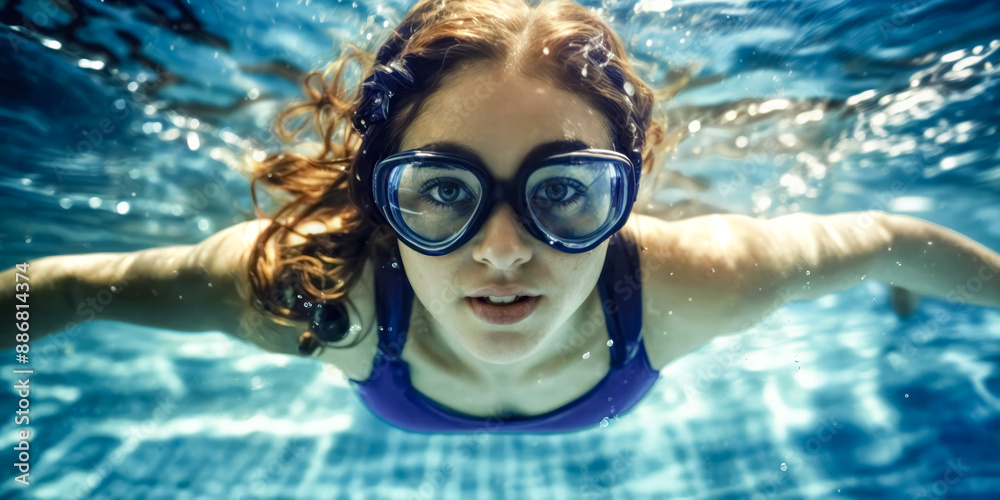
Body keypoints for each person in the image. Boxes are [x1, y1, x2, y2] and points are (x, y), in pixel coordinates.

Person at [3, 0, 999, 433]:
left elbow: (884, 240)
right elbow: (70, 288)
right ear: (377, 194)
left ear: (629, 193)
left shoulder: (690, 280)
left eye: (566, 188)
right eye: (442, 188)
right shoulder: (317, 287)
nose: (506, 246)